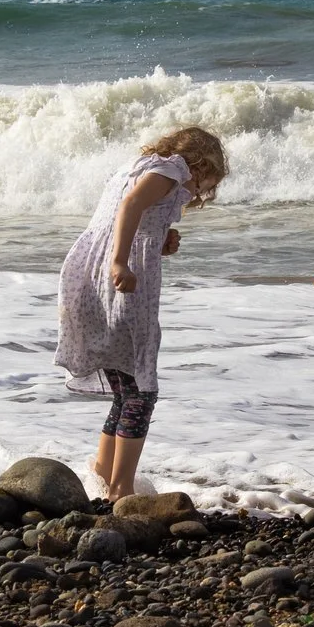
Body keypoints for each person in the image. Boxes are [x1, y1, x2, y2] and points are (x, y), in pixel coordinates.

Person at [55, 126, 229, 502]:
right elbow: (130, 206)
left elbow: (134, 217)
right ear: (202, 164)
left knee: (125, 385)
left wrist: (158, 242)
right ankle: (122, 490)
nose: (198, 193)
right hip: (116, 279)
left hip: (91, 275)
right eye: (204, 184)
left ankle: (102, 475)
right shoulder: (172, 169)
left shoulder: (138, 167)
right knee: (140, 391)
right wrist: (121, 262)